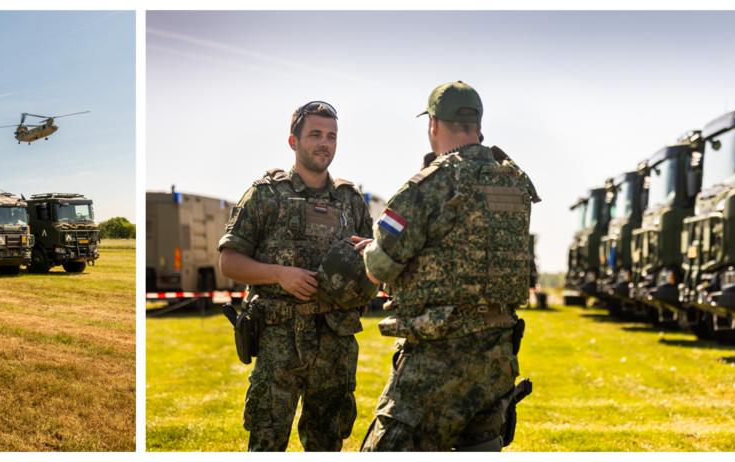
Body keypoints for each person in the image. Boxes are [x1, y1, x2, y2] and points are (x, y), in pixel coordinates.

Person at [356, 81, 539, 453]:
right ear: (478, 125)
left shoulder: (429, 185)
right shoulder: (516, 182)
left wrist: (367, 251)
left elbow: (378, 267)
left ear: (433, 125)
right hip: (497, 354)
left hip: (438, 357)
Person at [217, 101, 374, 453]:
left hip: (335, 344)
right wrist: (280, 275)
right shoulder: (265, 195)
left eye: (331, 136)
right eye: (315, 134)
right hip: (277, 342)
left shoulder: (352, 201)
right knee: (266, 442)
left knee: (327, 443)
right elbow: (229, 262)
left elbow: (373, 264)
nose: (325, 143)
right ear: (293, 141)